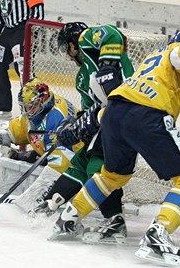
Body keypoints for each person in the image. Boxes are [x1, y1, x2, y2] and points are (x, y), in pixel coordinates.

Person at [52, 24, 180, 266]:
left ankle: (69, 217)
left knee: (112, 177)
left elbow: (124, 100)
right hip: (147, 116)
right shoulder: (177, 53)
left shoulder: (152, 60)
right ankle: (159, 233)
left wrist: (90, 122)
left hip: (115, 113)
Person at [25, 21, 135, 244]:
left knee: (99, 166)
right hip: (107, 119)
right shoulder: (82, 78)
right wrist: (74, 127)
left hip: (128, 111)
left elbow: (113, 34)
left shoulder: (88, 42)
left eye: (67, 48)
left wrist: (107, 66)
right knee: (81, 161)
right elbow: (88, 111)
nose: (68, 54)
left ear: (74, 44)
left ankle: (115, 221)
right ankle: (52, 201)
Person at [0, 78, 80, 187]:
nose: (27, 111)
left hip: (77, 165)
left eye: (30, 107)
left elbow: (58, 168)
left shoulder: (54, 121)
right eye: (25, 107)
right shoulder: (44, 107)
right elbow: (21, 127)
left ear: (42, 102)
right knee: (25, 147)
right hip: (58, 153)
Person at [0, 0, 44, 119]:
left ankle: (34, 106)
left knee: (22, 67)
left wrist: (33, 32)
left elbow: (37, 7)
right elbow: (0, 5)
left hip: (23, 29)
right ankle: (1, 104)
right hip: (8, 30)